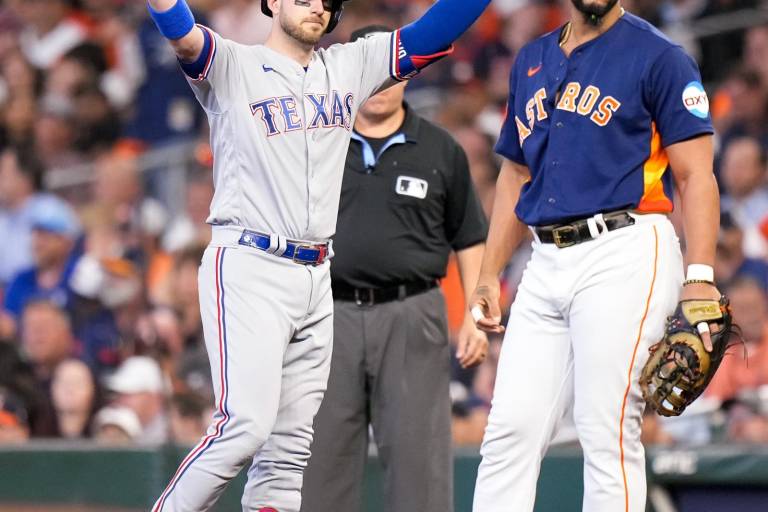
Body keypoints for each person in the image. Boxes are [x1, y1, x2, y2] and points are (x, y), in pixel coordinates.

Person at [143, 0, 494, 511]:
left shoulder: (349, 67)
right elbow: (183, 34)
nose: (317, 6)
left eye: (327, 1)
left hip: (315, 276)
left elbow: (433, 31)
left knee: (288, 455)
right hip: (250, 263)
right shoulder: (233, 64)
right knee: (243, 426)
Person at [468, 0, 721, 510]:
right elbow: (516, 174)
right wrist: (488, 274)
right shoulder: (532, 59)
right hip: (544, 259)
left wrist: (700, 274)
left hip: (624, 248)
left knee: (605, 429)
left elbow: (696, 174)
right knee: (509, 431)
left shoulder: (659, 56)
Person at [300, 24, 489, 512]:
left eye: (393, 71)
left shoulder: (440, 149)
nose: (383, 83)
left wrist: (474, 313)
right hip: (327, 314)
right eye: (372, 71)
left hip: (412, 314)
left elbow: (469, 237)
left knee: (419, 468)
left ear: (409, 73)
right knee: (319, 463)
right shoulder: (317, 141)